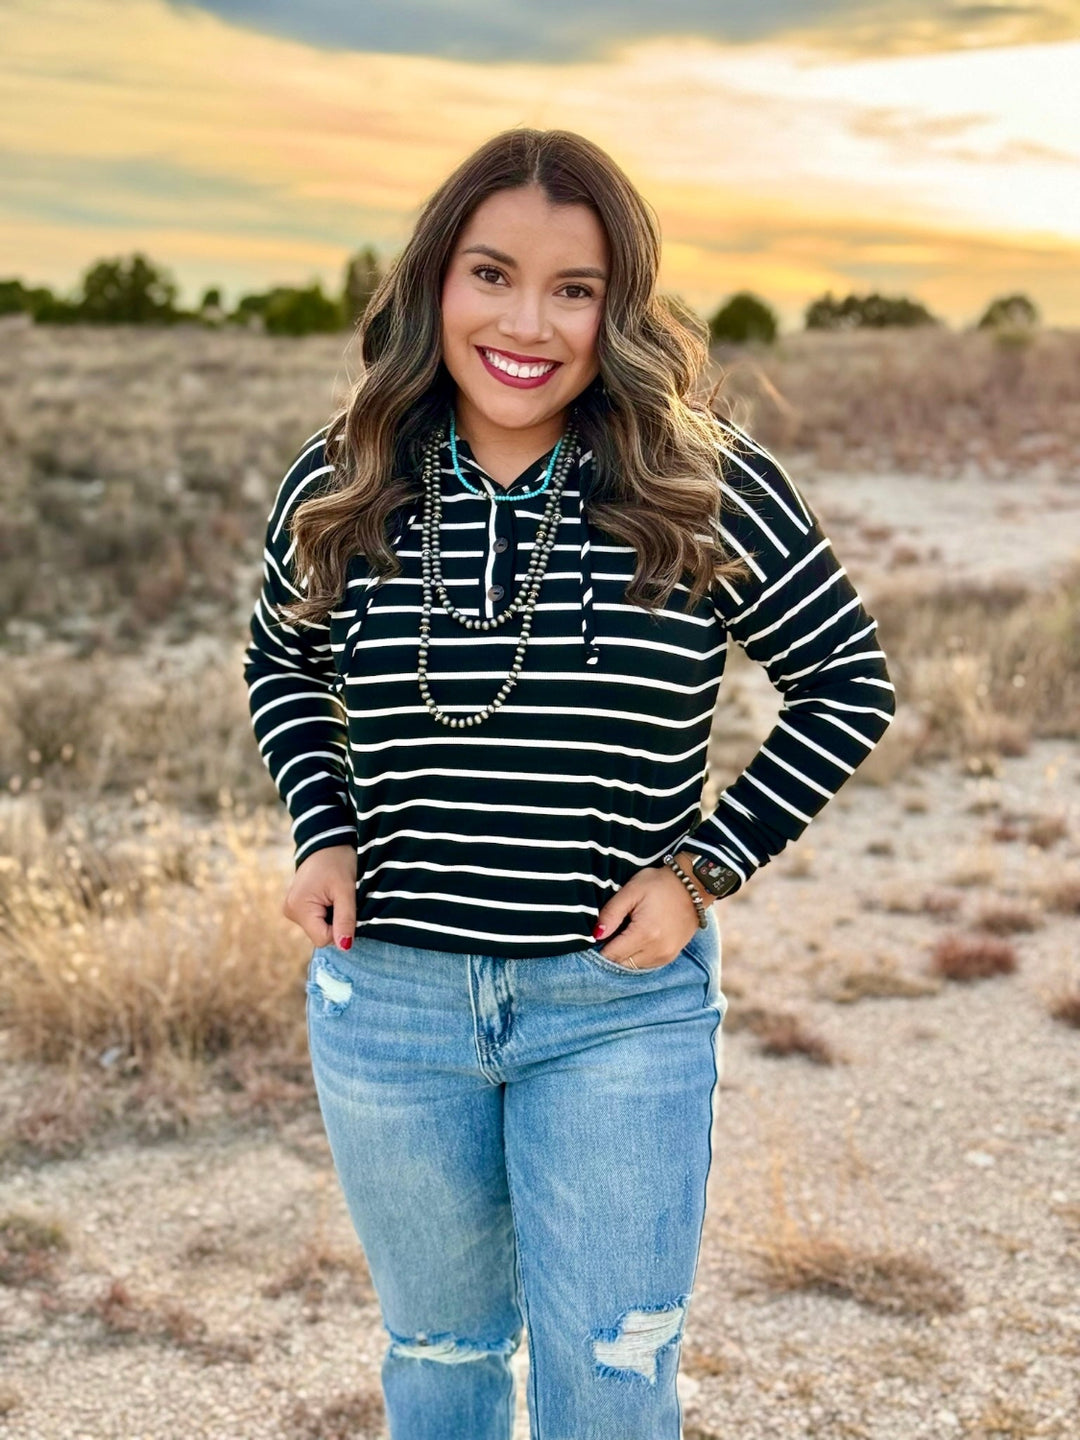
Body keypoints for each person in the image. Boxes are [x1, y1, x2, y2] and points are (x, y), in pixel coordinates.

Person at [243, 127, 895, 1440]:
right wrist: (322, 831)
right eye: (492, 274)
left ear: (619, 306)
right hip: (395, 1008)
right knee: (440, 1359)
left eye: (574, 288)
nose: (526, 322)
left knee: (610, 1377)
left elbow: (847, 686)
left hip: (617, 1012)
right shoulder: (346, 477)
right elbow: (278, 660)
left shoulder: (700, 480)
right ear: (435, 283)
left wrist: (702, 869)